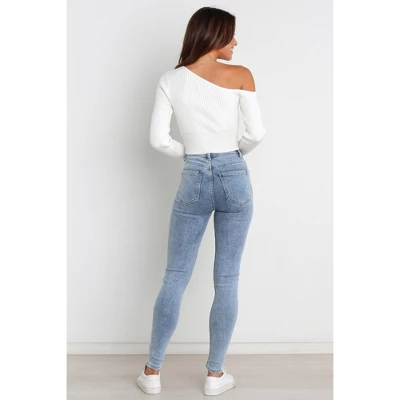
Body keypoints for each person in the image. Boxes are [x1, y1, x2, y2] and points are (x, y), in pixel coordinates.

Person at [136, 6, 266, 396]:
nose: (236, 42)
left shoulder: (170, 80)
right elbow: (256, 134)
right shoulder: (241, 75)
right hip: (233, 173)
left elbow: (158, 139)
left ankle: (152, 373)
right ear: (214, 35)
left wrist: (193, 157)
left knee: (174, 276)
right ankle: (215, 376)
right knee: (227, 279)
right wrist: (231, 156)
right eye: (231, 34)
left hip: (193, 173)